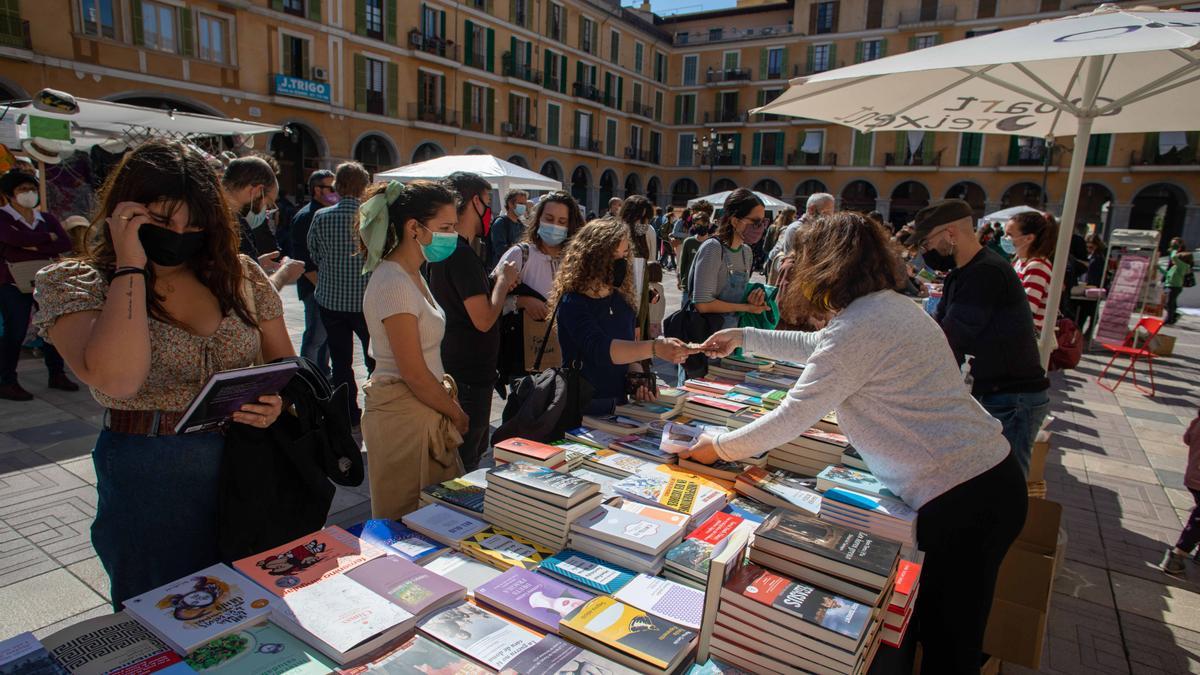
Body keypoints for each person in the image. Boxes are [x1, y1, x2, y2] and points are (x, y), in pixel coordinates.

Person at [684, 211, 1026, 674]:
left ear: (826, 265)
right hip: (978, 482)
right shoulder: (884, 308)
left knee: (949, 642)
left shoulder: (864, 324)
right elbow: (820, 347)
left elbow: (793, 416)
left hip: (965, 495)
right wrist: (745, 336)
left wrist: (718, 446)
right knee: (940, 627)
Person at [33, 139, 294, 606]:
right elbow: (117, 380)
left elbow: (282, 363)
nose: (179, 233)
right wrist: (130, 265)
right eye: (160, 220)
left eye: (193, 223)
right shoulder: (76, 282)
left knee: (256, 600)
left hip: (247, 461)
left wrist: (274, 400)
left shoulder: (239, 275)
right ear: (124, 211)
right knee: (166, 611)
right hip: (151, 470)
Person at [913, 199, 1050, 478]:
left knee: (1005, 483)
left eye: (926, 243)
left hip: (1011, 398)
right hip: (996, 393)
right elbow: (939, 328)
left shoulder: (985, 272)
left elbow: (951, 337)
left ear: (950, 234)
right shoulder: (963, 273)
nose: (925, 251)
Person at [357, 180, 469, 518]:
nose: (453, 235)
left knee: (435, 515)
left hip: (421, 410)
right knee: (410, 518)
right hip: (404, 418)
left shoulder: (413, 274)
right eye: (445, 227)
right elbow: (413, 371)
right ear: (413, 228)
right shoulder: (393, 281)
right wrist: (456, 414)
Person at [551, 219, 695, 415]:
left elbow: (629, 349)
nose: (620, 261)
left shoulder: (621, 298)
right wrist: (655, 348)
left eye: (624, 254)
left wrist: (638, 380)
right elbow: (600, 349)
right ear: (590, 257)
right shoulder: (572, 302)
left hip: (619, 406)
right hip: (583, 405)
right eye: (612, 255)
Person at [427, 172, 519, 471]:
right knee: (463, 464)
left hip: (458, 367)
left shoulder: (448, 250)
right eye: (488, 202)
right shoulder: (462, 254)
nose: (491, 212)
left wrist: (492, 284)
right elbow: (482, 320)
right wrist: (503, 283)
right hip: (468, 374)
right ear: (474, 202)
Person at [0, 170, 78, 400]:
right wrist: (47, 239)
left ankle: (56, 373)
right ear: (9, 195)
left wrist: (31, 245)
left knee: (52, 326)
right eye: (22, 190)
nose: (28, 194)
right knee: (15, 330)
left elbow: (63, 242)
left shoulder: (45, 218)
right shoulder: (3, 218)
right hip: (12, 282)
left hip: (44, 279)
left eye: (31, 189)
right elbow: (12, 241)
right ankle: (7, 380)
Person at [308, 161, 375, 425]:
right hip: (365, 301)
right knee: (375, 358)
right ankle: (377, 407)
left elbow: (314, 253)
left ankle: (348, 412)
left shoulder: (321, 216)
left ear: (337, 185)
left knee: (340, 361)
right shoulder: (371, 219)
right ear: (363, 186)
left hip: (331, 300)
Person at [689, 189, 769, 330]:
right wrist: (746, 308)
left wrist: (753, 298)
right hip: (707, 336)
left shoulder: (747, 252)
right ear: (735, 221)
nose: (761, 227)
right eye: (756, 222)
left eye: (764, 222)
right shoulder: (713, 248)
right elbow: (702, 304)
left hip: (733, 334)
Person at [222, 157, 303, 290]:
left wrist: (255, 263)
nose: (267, 210)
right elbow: (257, 297)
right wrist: (285, 273)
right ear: (256, 191)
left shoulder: (212, 215)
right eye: (268, 203)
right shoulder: (232, 226)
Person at [288, 170, 336, 377]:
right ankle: (308, 380)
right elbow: (304, 262)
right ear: (317, 190)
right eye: (331, 188)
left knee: (325, 338)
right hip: (315, 288)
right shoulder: (307, 216)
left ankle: (323, 375)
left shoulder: (325, 213)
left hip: (326, 288)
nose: (336, 192)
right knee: (315, 338)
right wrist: (323, 289)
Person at [1005, 211, 1057, 338]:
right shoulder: (1019, 262)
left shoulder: (1037, 267)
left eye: (1009, 235)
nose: (1005, 238)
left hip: (1025, 338)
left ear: (1029, 238)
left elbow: (1025, 310)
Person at [1162, 408, 1200, 575]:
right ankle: (1178, 556)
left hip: (1193, 478)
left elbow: (1187, 439)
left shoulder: (1197, 422)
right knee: (1198, 520)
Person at [618, 195, 659, 338]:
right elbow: (621, 285)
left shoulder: (640, 240)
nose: (645, 223)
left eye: (647, 219)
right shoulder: (619, 242)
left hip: (639, 309)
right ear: (629, 216)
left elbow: (637, 278)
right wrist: (634, 323)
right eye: (642, 219)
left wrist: (648, 290)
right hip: (626, 314)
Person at [767, 192, 834, 272]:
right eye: (826, 213)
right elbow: (793, 262)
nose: (830, 217)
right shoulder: (795, 229)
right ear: (811, 209)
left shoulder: (822, 228)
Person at [488, 189, 528, 270]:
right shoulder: (501, 223)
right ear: (510, 204)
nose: (524, 207)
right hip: (502, 269)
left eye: (524, 204)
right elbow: (500, 249)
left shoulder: (521, 225)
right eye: (520, 203)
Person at [677, 216, 711, 292]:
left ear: (708, 225)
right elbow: (683, 263)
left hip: (705, 288)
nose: (700, 227)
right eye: (697, 224)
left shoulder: (713, 243)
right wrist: (681, 280)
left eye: (702, 224)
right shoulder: (688, 242)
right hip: (688, 286)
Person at [1165, 238, 1193, 325]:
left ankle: (1170, 319)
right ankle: (1172, 316)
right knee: (1170, 303)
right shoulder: (1177, 266)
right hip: (1171, 285)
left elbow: (1173, 257)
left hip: (1174, 286)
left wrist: (1175, 248)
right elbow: (1168, 273)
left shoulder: (1182, 265)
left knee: (1169, 303)